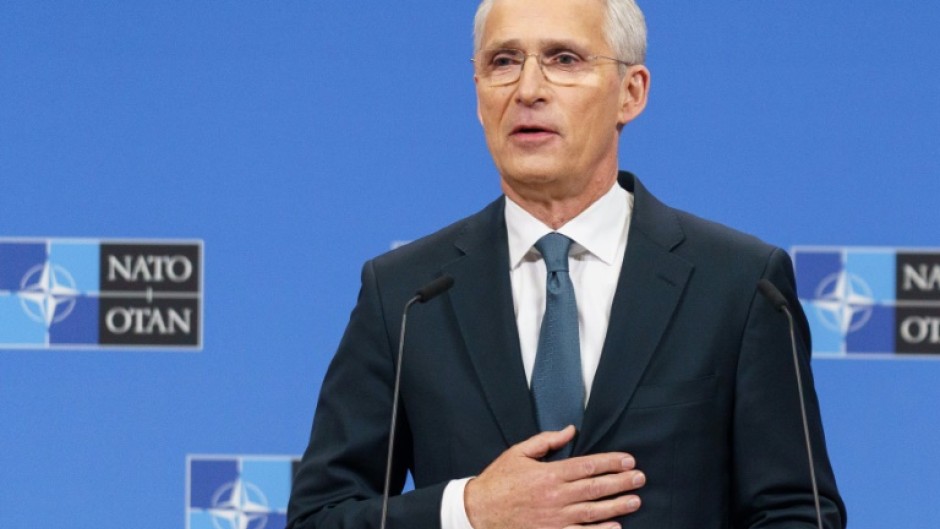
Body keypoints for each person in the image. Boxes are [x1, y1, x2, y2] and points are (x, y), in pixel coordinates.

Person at [287, 0, 847, 527]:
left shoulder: (740, 283)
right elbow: (321, 515)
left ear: (631, 92)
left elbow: (798, 514)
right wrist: (470, 510)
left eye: (564, 60)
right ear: (478, 91)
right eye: (503, 62)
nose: (529, 89)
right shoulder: (406, 294)